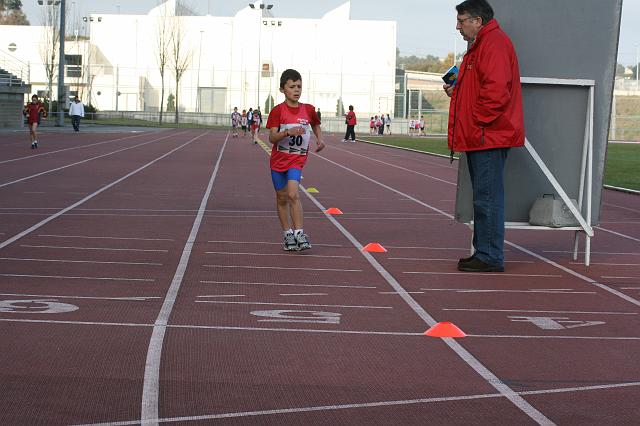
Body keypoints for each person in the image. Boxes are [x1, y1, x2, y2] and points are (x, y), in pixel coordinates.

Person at [444, 0, 524, 273]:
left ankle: (490, 255)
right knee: (483, 196)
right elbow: (482, 88)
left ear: (478, 20)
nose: (458, 26)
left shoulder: (494, 44)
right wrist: (457, 91)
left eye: (462, 20)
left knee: (487, 196)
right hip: (482, 134)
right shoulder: (482, 45)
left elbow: (496, 91)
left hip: (487, 136)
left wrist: (478, 123)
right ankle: (485, 251)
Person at [266, 68, 325, 251]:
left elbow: (315, 123)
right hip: (278, 160)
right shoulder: (277, 111)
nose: (296, 90)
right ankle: (287, 234)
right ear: (283, 89)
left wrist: (319, 139)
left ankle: (299, 232)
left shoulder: (308, 109)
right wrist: (287, 132)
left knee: (293, 193)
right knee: (281, 197)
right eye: (292, 86)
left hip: (296, 159)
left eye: (299, 86)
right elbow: (272, 138)